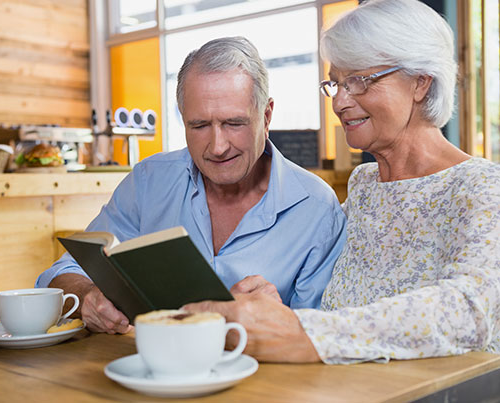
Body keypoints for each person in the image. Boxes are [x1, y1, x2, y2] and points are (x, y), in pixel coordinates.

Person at [184, 0, 500, 364]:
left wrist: (301, 333)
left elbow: (469, 310)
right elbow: (340, 307)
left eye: (360, 81)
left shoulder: (482, 186)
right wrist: (280, 309)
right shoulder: (365, 185)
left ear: (420, 83)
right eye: (336, 83)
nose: (340, 102)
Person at [36, 36, 347, 335]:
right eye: (199, 126)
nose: (217, 146)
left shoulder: (317, 208)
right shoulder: (149, 181)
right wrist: (88, 297)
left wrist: (262, 318)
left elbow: (320, 337)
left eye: (234, 123)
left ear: (265, 116)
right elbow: (61, 274)